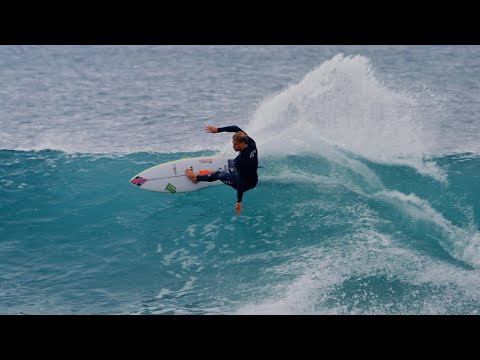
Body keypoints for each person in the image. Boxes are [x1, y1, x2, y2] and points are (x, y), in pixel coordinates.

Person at [185, 125, 258, 215]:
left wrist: (239, 201)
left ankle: (196, 178)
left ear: (243, 143)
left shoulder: (240, 161)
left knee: (219, 174)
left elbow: (240, 182)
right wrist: (217, 130)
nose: (233, 146)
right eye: (233, 143)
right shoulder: (251, 142)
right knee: (232, 165)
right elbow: (235, 128)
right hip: (253, 177)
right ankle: (223, 173)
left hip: (246, 185)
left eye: (235, 144)